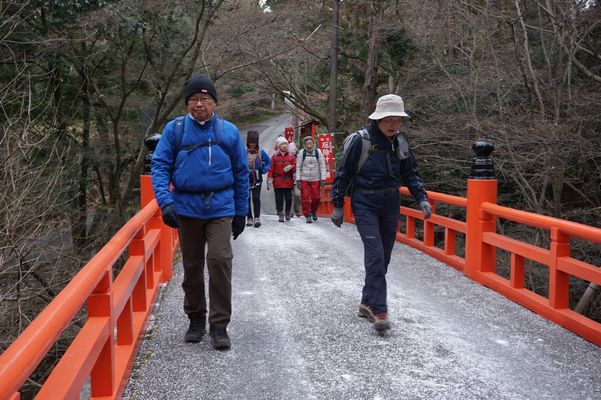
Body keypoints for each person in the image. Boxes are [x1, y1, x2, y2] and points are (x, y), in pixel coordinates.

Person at [151, 74, 249, 350]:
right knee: (192, 266)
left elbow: (241, 172)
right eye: (193, 99)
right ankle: (196, 317)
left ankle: (219, 324)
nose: (199, 104)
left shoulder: (228, 131)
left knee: (220, 260)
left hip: (220, 206)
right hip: (186, 207)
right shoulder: (175, 130)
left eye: (204, 99)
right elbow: (160, 166)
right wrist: (165, 202)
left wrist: (241, 212)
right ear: (186, 103)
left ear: (214, 102)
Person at [330, 94, 432, 334]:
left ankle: (367, 302)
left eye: (397, 119)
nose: (393, 124)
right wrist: (338, 204)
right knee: (375, 255)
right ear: (377, 119)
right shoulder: (362, 140)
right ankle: (379, 310)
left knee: (383, 257)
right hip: (365, 202)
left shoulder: (401, 142)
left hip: (390, 203)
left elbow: (411, 173)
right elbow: (344, 173)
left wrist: (421, 198)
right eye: (388, 119)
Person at [295, 136, 326, 223]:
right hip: (304, 178)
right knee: (305, 197)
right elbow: (298, 167)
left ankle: (313, 211)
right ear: (305, 145)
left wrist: (323, 179)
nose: (309, 145)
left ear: (313, 143)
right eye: (307, 144)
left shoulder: (318, 152)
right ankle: (307, 215)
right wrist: (298, 180)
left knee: (316, 197)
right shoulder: (302, 152)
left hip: (316, 178)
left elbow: (322, 166)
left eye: (310, 143)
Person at [267, 136, 296, 222]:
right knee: (279, 199)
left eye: (285, 144)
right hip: (278, 181)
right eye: (282, 144)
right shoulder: (274, 157)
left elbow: (296, 167)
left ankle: (287, 211)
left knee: (288, 198)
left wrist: (291, 166)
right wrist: (269, 179)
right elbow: (271, 169)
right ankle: (280, 212)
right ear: (279, 146)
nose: (284, 146)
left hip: (288, 181)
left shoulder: (291, 157)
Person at [246, 129, 270, 228]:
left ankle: (257, 217)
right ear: (248, 142)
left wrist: (263, 170)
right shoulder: (243, 152)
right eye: (251, 143)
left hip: (257, 178)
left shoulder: (261, 152)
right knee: (247, 198)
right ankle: (249, 218)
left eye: (254, 143)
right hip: (246, 178)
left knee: (256, 198)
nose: (252, 145)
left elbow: (268, 162)